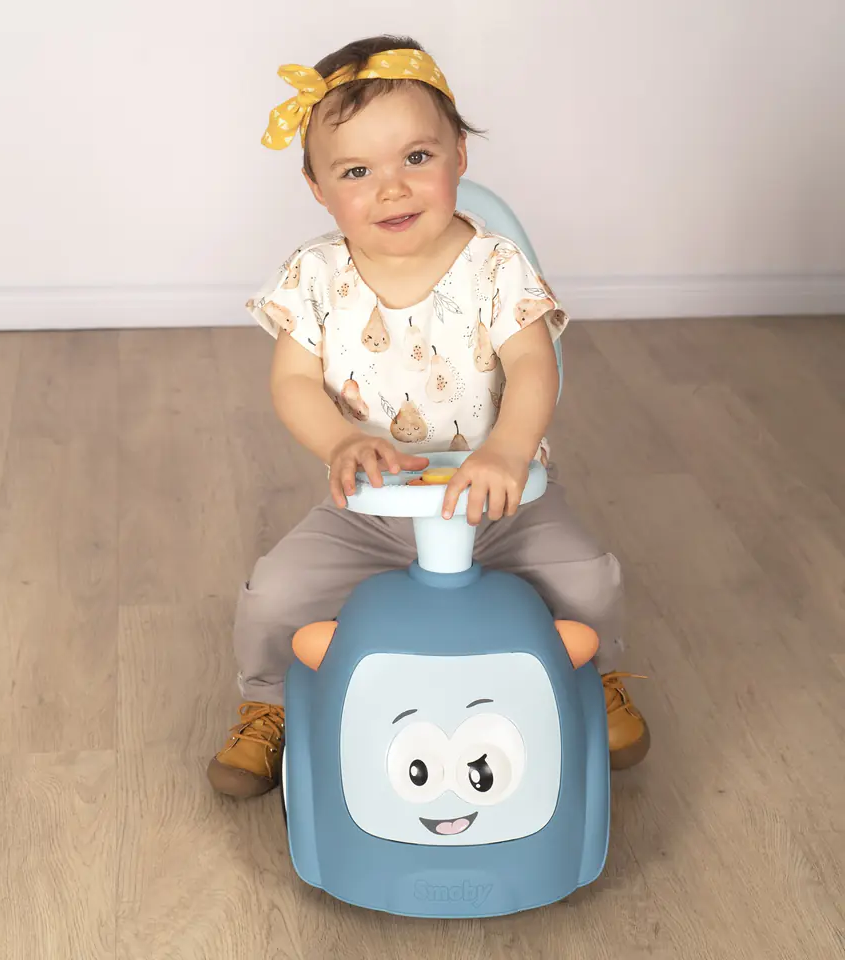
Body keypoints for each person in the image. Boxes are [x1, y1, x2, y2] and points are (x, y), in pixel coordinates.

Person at [207, 35, 649, 799]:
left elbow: (534, 363)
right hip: (371, 509)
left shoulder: (495, 266)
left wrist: (509, 449)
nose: (392, 189)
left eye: (417, 157)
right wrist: (342, 442)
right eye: (356, 172)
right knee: (276, 592)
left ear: (459, 156)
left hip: (501, 503)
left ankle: (595, 676)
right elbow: (293, 382)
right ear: (317, 187)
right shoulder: (314, 276)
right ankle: (268, 703)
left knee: (587, 576)